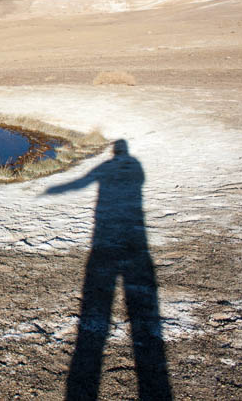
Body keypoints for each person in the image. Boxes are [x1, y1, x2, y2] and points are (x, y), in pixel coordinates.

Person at [45, 139, 172, 400]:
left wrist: (57, 189)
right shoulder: (132, 165)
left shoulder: (117, 165)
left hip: (108, 228)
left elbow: (84, 181)